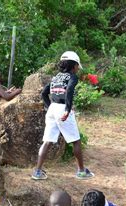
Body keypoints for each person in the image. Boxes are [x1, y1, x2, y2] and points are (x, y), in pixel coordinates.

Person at [32, 51, 94, 180]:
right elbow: (70, 91)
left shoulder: (56, 77)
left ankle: (37, 171)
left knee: (47, 141)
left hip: (53, 108)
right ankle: (82, 171)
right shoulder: (72, 77)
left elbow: (44, 93)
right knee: (75, 140)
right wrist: (67, 109)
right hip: (62, 108)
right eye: (77, 65)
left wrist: (50, 107)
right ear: (73, 65)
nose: (78, 68)